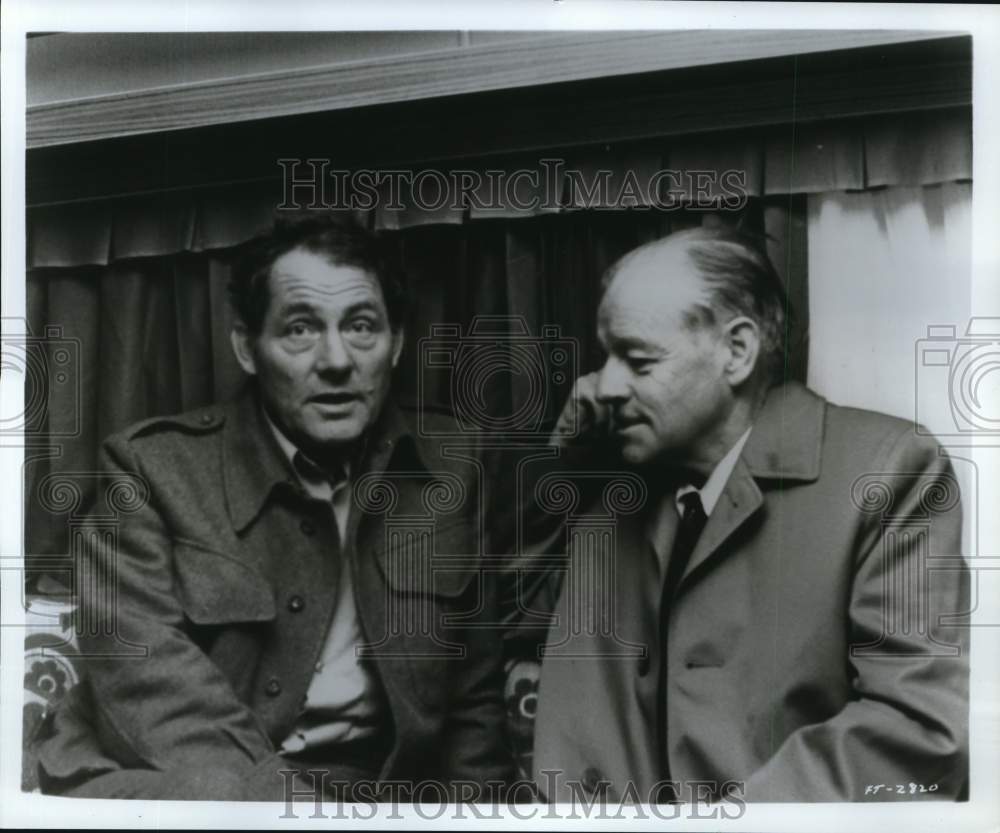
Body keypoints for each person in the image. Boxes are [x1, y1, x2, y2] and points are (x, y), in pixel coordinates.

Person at [35, 212, 513, 801]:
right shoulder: (148, 471)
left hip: (367, 795)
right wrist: (298, 811)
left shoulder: (452, 468)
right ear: (247, 347)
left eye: (362, 326)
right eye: (300, 330)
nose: (337, 360)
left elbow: (472, 705)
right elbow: (153, 691)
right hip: (171, 779)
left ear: (397, 345)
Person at [505, 225, 969, 803]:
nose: (603, 385)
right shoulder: (605, 480)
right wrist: (560, 468)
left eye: (637, 359)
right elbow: (495, 625)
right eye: (606, 356)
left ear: (737, 351)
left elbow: (920, 732)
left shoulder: (888, 470)